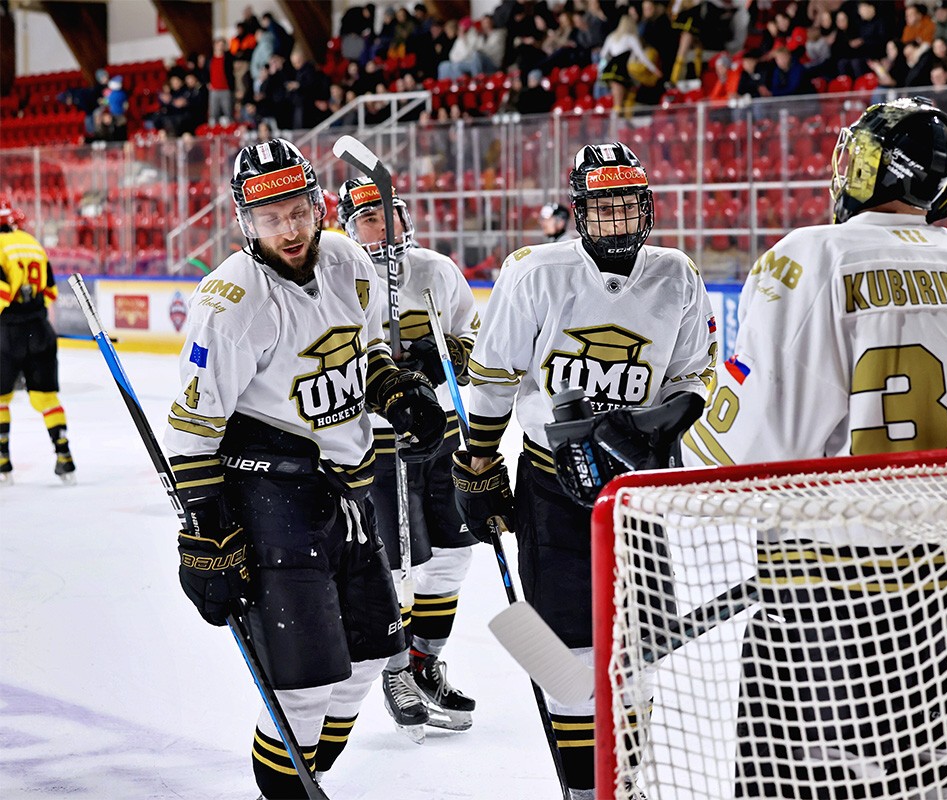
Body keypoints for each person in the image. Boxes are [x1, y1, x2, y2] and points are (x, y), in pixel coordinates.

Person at [683, 98, 947, 798]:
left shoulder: (811, 255)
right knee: (937, 767)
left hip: (843, 591)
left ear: (871, 169)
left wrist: (666, 438)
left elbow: (747, 450)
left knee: (814, 776)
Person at [163, 138, 446, 799]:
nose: (288, 230)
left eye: (297, 211)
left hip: (349, 495)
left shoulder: (348, 261)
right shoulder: (231, 301)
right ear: (245, 221)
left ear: (318, 205)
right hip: (274, 499)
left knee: (367, 662)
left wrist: (396, 392)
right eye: (270, 218)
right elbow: (193, 429)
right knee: (302, 693)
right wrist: (204, 532)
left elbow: (365, 353)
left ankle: (304, 781)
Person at [453, 142, 717, 800]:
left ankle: (623, 786)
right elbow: (494, 376)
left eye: (628, 205)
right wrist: (478, 462)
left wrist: (658, 425)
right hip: (551, 483)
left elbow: (693, 375)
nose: (618, 219)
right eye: (604, 208)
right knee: (562, 654)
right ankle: (581, 790)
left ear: (646, 207)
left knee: (638, 653)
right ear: (579, 212)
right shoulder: (535, 272)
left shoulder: (677, 274)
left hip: (635, 489)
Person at [336, 176, 482, 741]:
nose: (383, 227)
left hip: (441, 432)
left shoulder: (435, 269)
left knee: (453, 553)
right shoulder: (337, 278)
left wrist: (446, 356)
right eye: (369, 218)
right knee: (396, 565)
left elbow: (473, 338)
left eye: (388, 214)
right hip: (378, 441)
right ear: (348, 228)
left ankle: (425, 663)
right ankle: (396, 673)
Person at [0, 199, 75, 485]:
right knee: (46, 398)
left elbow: (2, 294)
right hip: (41, 330)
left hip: (7, 332)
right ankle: (64, 456)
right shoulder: (32, 243)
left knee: (1, 399)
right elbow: (51, 292)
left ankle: (2, 462)